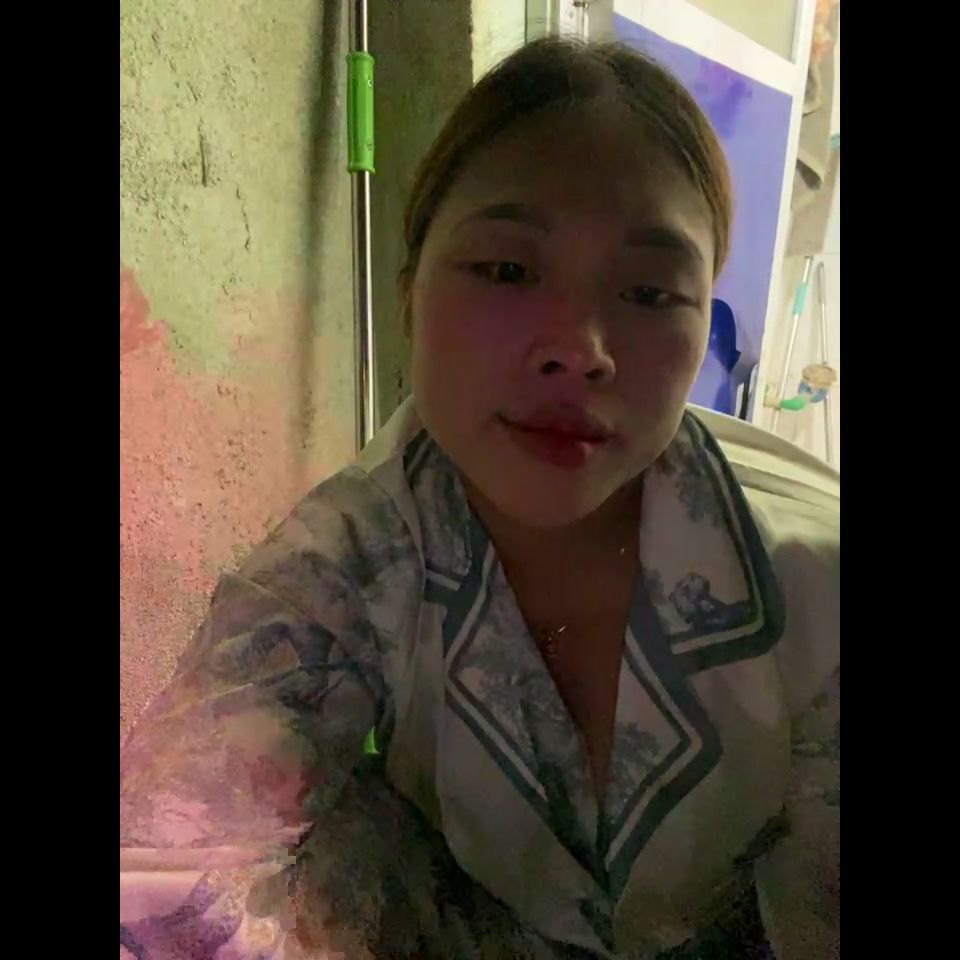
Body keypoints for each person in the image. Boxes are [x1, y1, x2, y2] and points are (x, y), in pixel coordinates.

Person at [120, 35, 840, 959]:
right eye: (507, 271)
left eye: (649, 292)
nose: (579, 349)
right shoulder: (346, 562)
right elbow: (166, 861)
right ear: (409, 293)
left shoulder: (811, 580)